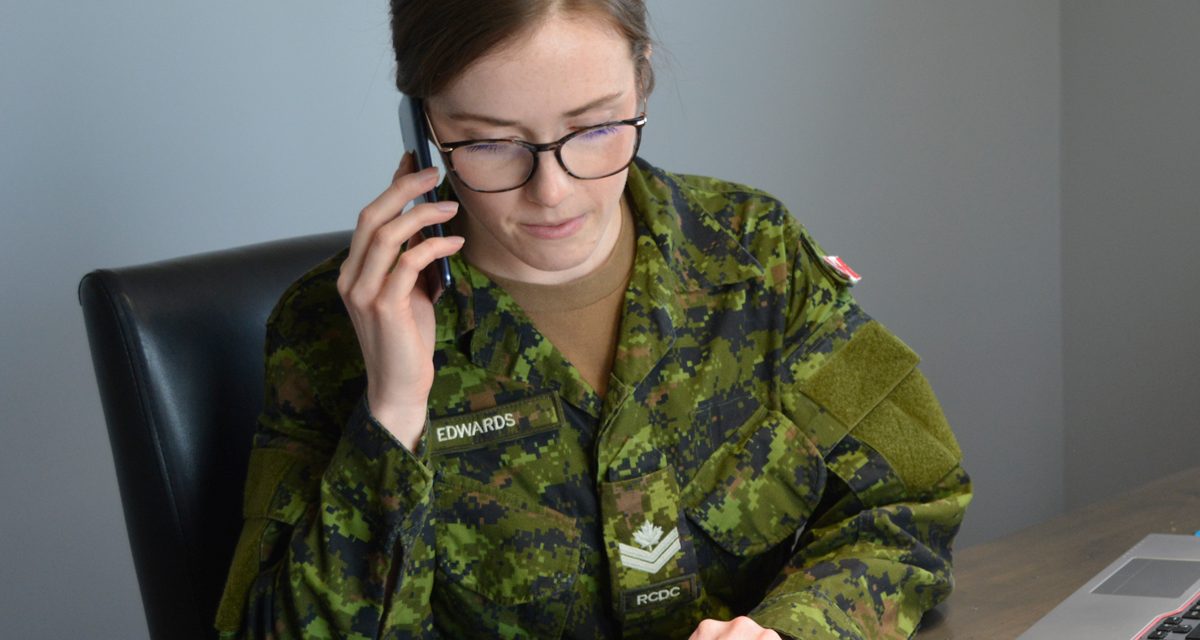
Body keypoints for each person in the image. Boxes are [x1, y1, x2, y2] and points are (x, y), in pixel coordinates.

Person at [214, 1, 972, 638]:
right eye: (490, 141)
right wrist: (394, 412)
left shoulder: (753, 252)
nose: (552, 192)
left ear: (641, 83)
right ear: (422, 127)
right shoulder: (327, 329)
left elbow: (912, 496)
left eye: (596, 128)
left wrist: (793, 628)